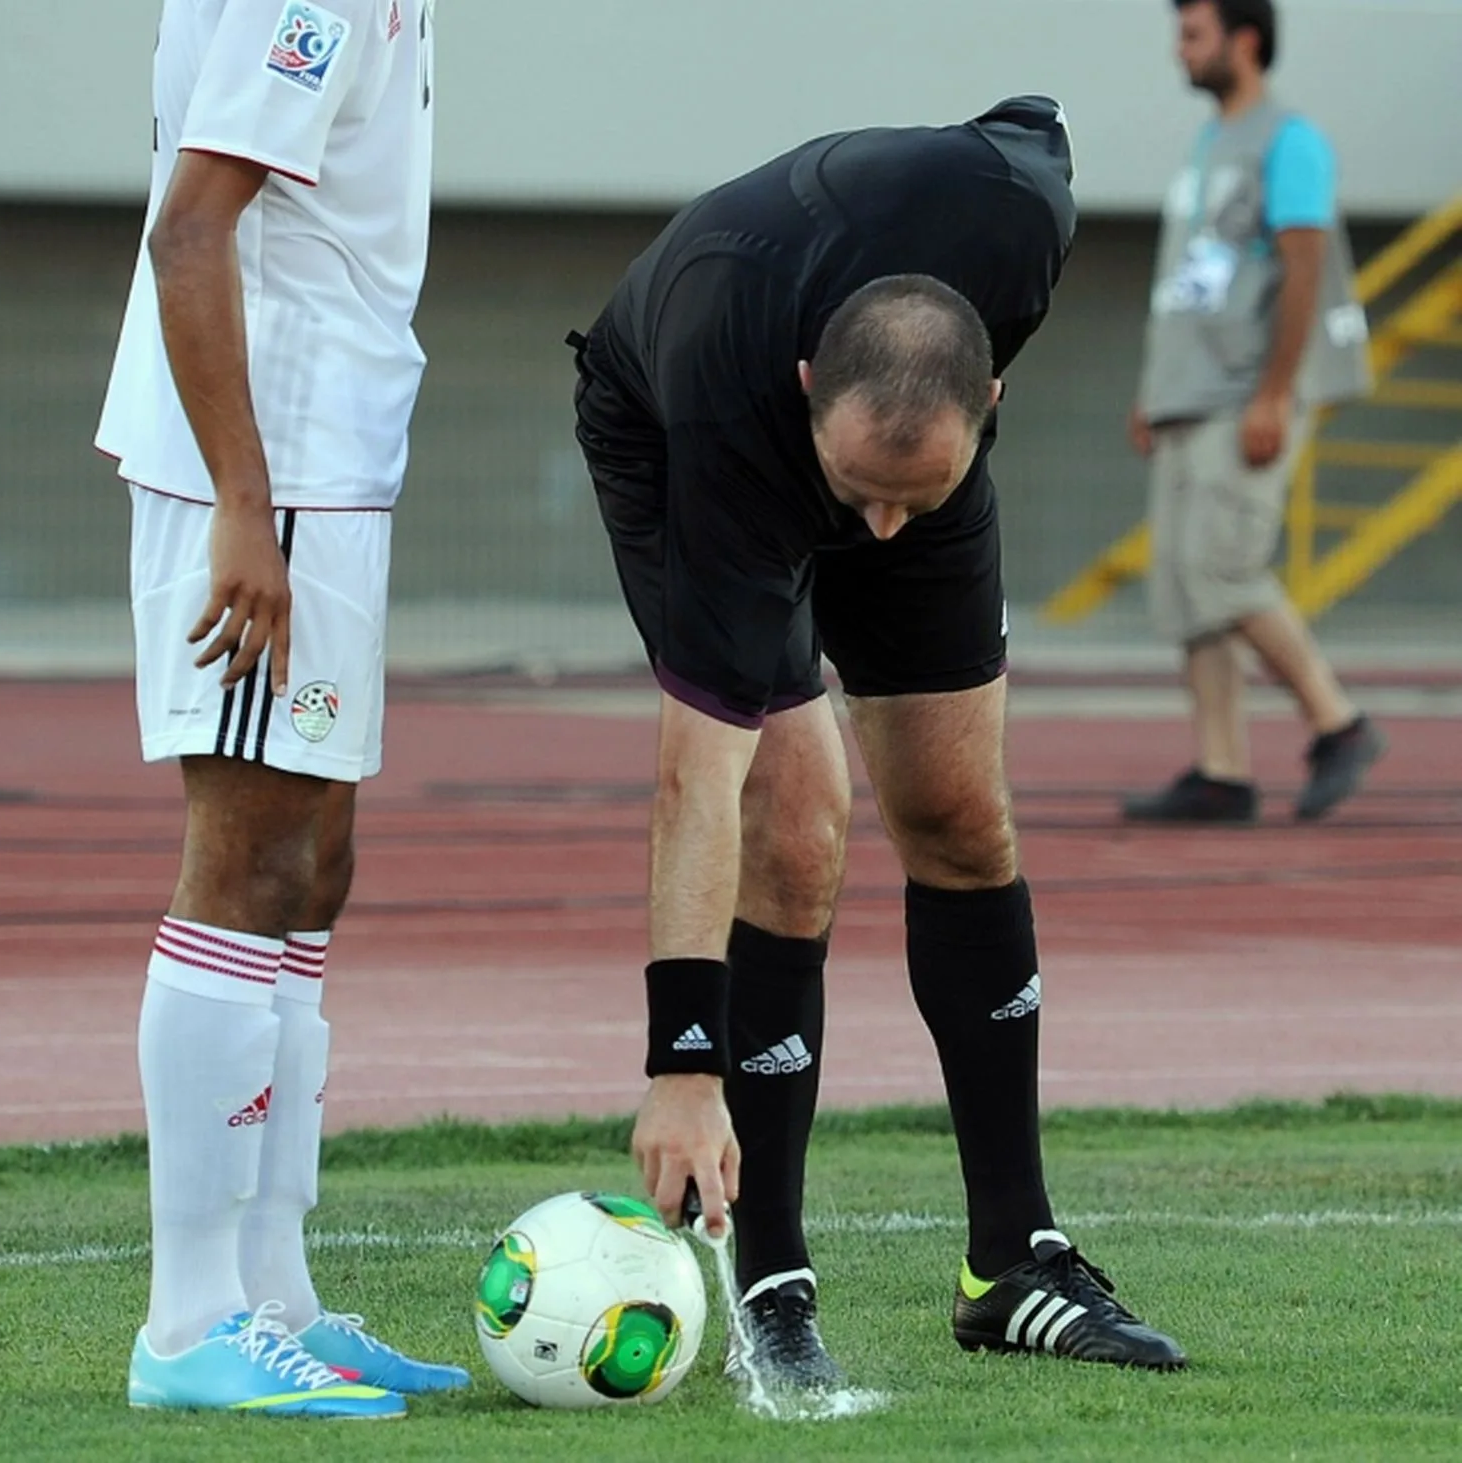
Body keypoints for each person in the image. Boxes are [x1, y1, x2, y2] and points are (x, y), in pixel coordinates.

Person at [569, 97, 1188, 1391]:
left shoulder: (1018, 227)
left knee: (961, 811)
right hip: (680, 427)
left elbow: (1035, 124)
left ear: (994, 390)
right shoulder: (732, 408)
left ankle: (1013, 1259)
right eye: (863, 500)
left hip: (894, 414)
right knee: (797, 823)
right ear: (810, 391)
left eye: (917, 497)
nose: (883, 534)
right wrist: (680, 1064)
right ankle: (775, 1284)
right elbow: (697, 784)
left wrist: (897, 490)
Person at [94, 0, 465, 1420]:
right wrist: (245, 507)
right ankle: (189, 1317)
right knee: (246, 858)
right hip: (267, 468)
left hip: (329, 458)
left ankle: (274, 1294)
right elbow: (190, 230)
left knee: (314, 864)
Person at [1123, 0, 1383, 824]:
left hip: (1245, 395)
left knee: (1220, 571)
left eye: (1193, 35)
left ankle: (1338, 722)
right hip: (1189, 397)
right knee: (1184, 590)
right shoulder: (1210, 146)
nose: (1179, 51)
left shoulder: (1287, 140)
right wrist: (1153, 391)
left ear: (1244, 40)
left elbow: (1304, 266)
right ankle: (1221, 771)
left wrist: (1275, 392)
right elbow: (1199, 281)